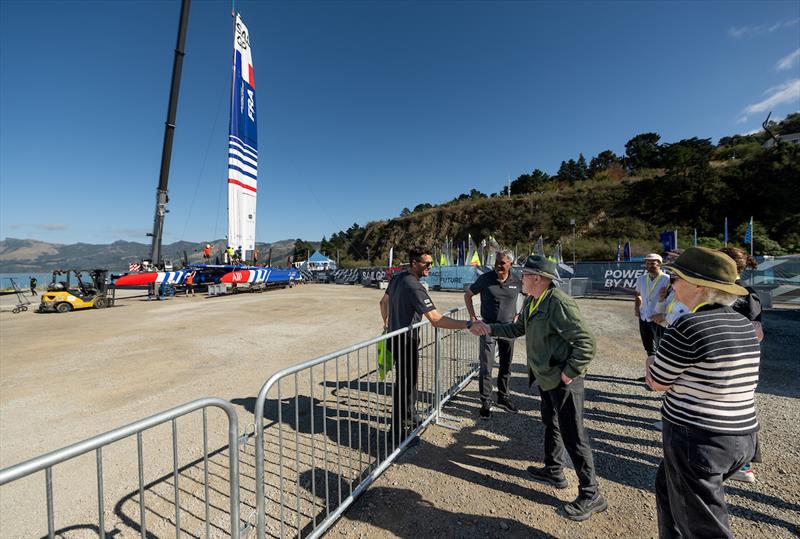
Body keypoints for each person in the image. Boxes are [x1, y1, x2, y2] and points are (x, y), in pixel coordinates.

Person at [472, 255, 606, 521]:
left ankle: (591, 493)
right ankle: (554, 470)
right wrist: (489, 328)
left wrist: (568, 374)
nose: (521, 279)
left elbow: (586, 343)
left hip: (562, 381)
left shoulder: (558, 304)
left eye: (525, 275)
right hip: (546, 378)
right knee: (552, 423)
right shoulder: (534, 300)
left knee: (574, 435)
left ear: (538, 279)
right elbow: (517, 328)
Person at [646, 247, 760, 539]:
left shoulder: (688, 326)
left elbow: (657, 382)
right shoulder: (744, 324)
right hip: (741, 437)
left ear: (698, 286)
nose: (671, 284)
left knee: (704, 526)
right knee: (667, 489)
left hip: (697, 438)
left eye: (676, 278)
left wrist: (650, 362)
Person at [379, 247, 473, 441]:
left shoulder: (397, 278)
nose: (430, 267)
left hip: (396, 338)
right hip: (406, 341)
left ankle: (409, 421)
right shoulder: (414, 286)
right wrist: (469, 324)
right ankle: (399, 431)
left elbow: (383, 302)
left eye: (432, 263)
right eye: (427, 264)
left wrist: (387, 322)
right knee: (406, 385)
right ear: (414, 263)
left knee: (405, 383)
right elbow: (436, 320)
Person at [720, 246, 764, 484]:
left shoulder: (746, 294)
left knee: (742, 411)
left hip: (737, 364)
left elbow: (758, 333)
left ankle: (744, 465)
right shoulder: (723, 291)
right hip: (724, 362)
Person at [464, 250, 522, 418]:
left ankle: (503, 397)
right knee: (486, 367)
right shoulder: (486, 278)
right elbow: (468, 295)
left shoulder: (517, 280)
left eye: (502, 262)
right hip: (487, 328)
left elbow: (530, 295)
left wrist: (520, 314)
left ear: (510, 264)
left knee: (506, 365)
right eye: (496, 262)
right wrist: (473, 317)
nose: (498, 265)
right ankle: (486, 401)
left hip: (508, 329)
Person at [634, 253, 670, 376]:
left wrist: (665, 315)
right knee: (648, 346)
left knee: (660, 346)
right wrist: (636, 308)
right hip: (644, 317)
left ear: (659, 264)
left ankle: (660, 375)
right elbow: (638, 294)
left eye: (652, 263)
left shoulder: (667, 279)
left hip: (658, 319)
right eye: (647, 263)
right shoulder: (641, 279)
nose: (649, 265)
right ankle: (650, 373)